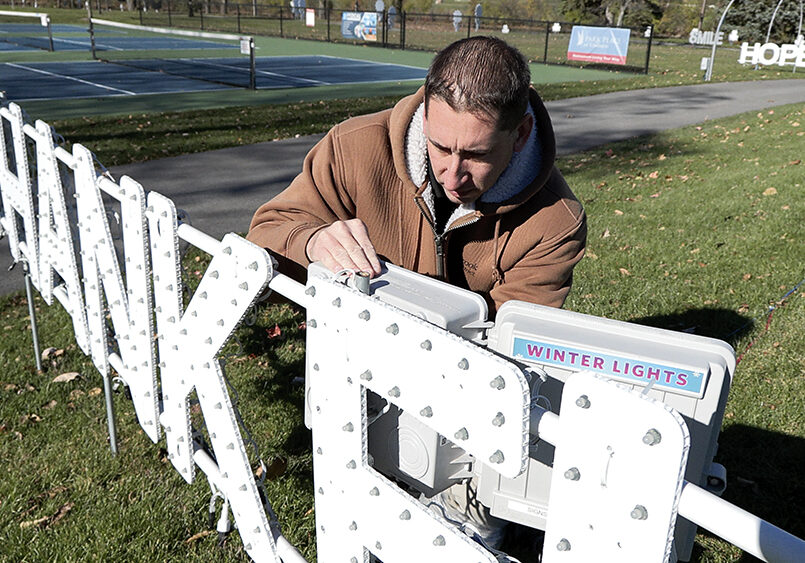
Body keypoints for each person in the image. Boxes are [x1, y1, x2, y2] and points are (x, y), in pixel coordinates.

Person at [247, 37, 586, 318]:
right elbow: (259, 246)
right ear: (425, 115)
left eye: (477, 155)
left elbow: (510, 341)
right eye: (440, 146)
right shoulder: (352, 147)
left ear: (522, 133)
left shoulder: (555, 222)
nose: (453, 176)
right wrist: (311, 242)